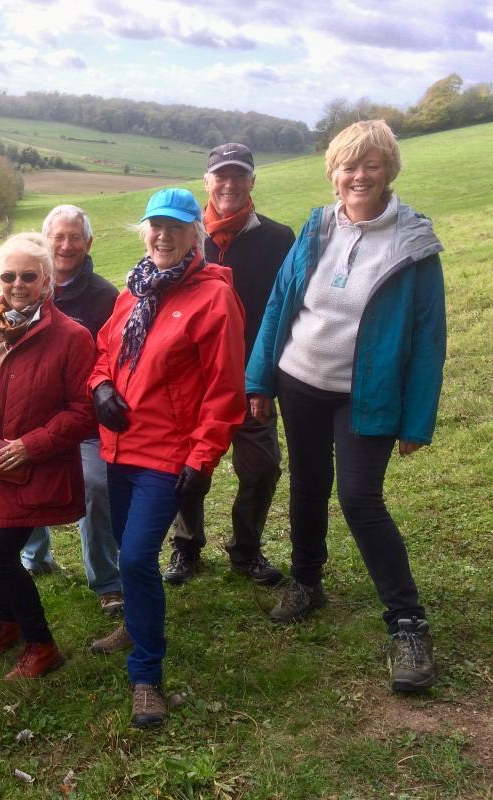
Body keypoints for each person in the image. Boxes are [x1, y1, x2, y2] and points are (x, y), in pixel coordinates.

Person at [246, 120, 446, 692]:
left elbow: (430, 338)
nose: (357, 176)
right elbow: (280, 303)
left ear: (389, 171)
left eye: (371, 166)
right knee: (307, 485)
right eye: (347, 167)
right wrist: (259, 379)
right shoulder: (316, 226)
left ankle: (406, 621)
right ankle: (307, 581)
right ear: (333, 173)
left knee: (360, 498)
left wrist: (417, 419)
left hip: (368, 394)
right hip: (299, 382)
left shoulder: (412, 244)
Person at [89, 188, 246, 727]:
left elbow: (224, 390)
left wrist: (202, 458)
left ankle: (147, 676)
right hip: (119, 448)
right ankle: (136, 621)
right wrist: (101, 386)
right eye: (155, 225)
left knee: (134, 558)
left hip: (166, 455)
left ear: (194, 235)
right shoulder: (132, 292)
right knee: (125, 548)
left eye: (176, 227)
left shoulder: (213, 299)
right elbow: (104, 353)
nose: (163, 235)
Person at [0, 232, 96, 678]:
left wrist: (30, 447)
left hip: (29, 470)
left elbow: (84, 412)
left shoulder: (71, 337)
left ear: (47, 279)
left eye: (28, 276)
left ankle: (41, 643)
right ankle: (7, 625)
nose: (17, 285)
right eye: (8, 276)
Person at [163, 144, 295, 586]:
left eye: (239, 175)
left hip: (249, 380)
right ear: (207, 181)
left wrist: (265, 378)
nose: (230, 184)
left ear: (252, 181)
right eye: (221, 175)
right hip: (190, 383)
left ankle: (246, 548)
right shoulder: (181, 237)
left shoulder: (279, 240)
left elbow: (287, 312)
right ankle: (186, 545)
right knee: (187, 468)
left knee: (260, 467)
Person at [19, 205, 123, 616]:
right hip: (35, 417)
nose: (64, 245)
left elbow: (114, 358)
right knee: (19, 472)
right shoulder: (27, 286)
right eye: (57, 237)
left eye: (74, 237)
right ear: (44, 242)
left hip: (87, 424)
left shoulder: (105, 296)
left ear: (88, 243)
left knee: (96, 488)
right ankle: (34, 558)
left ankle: (106, 579)